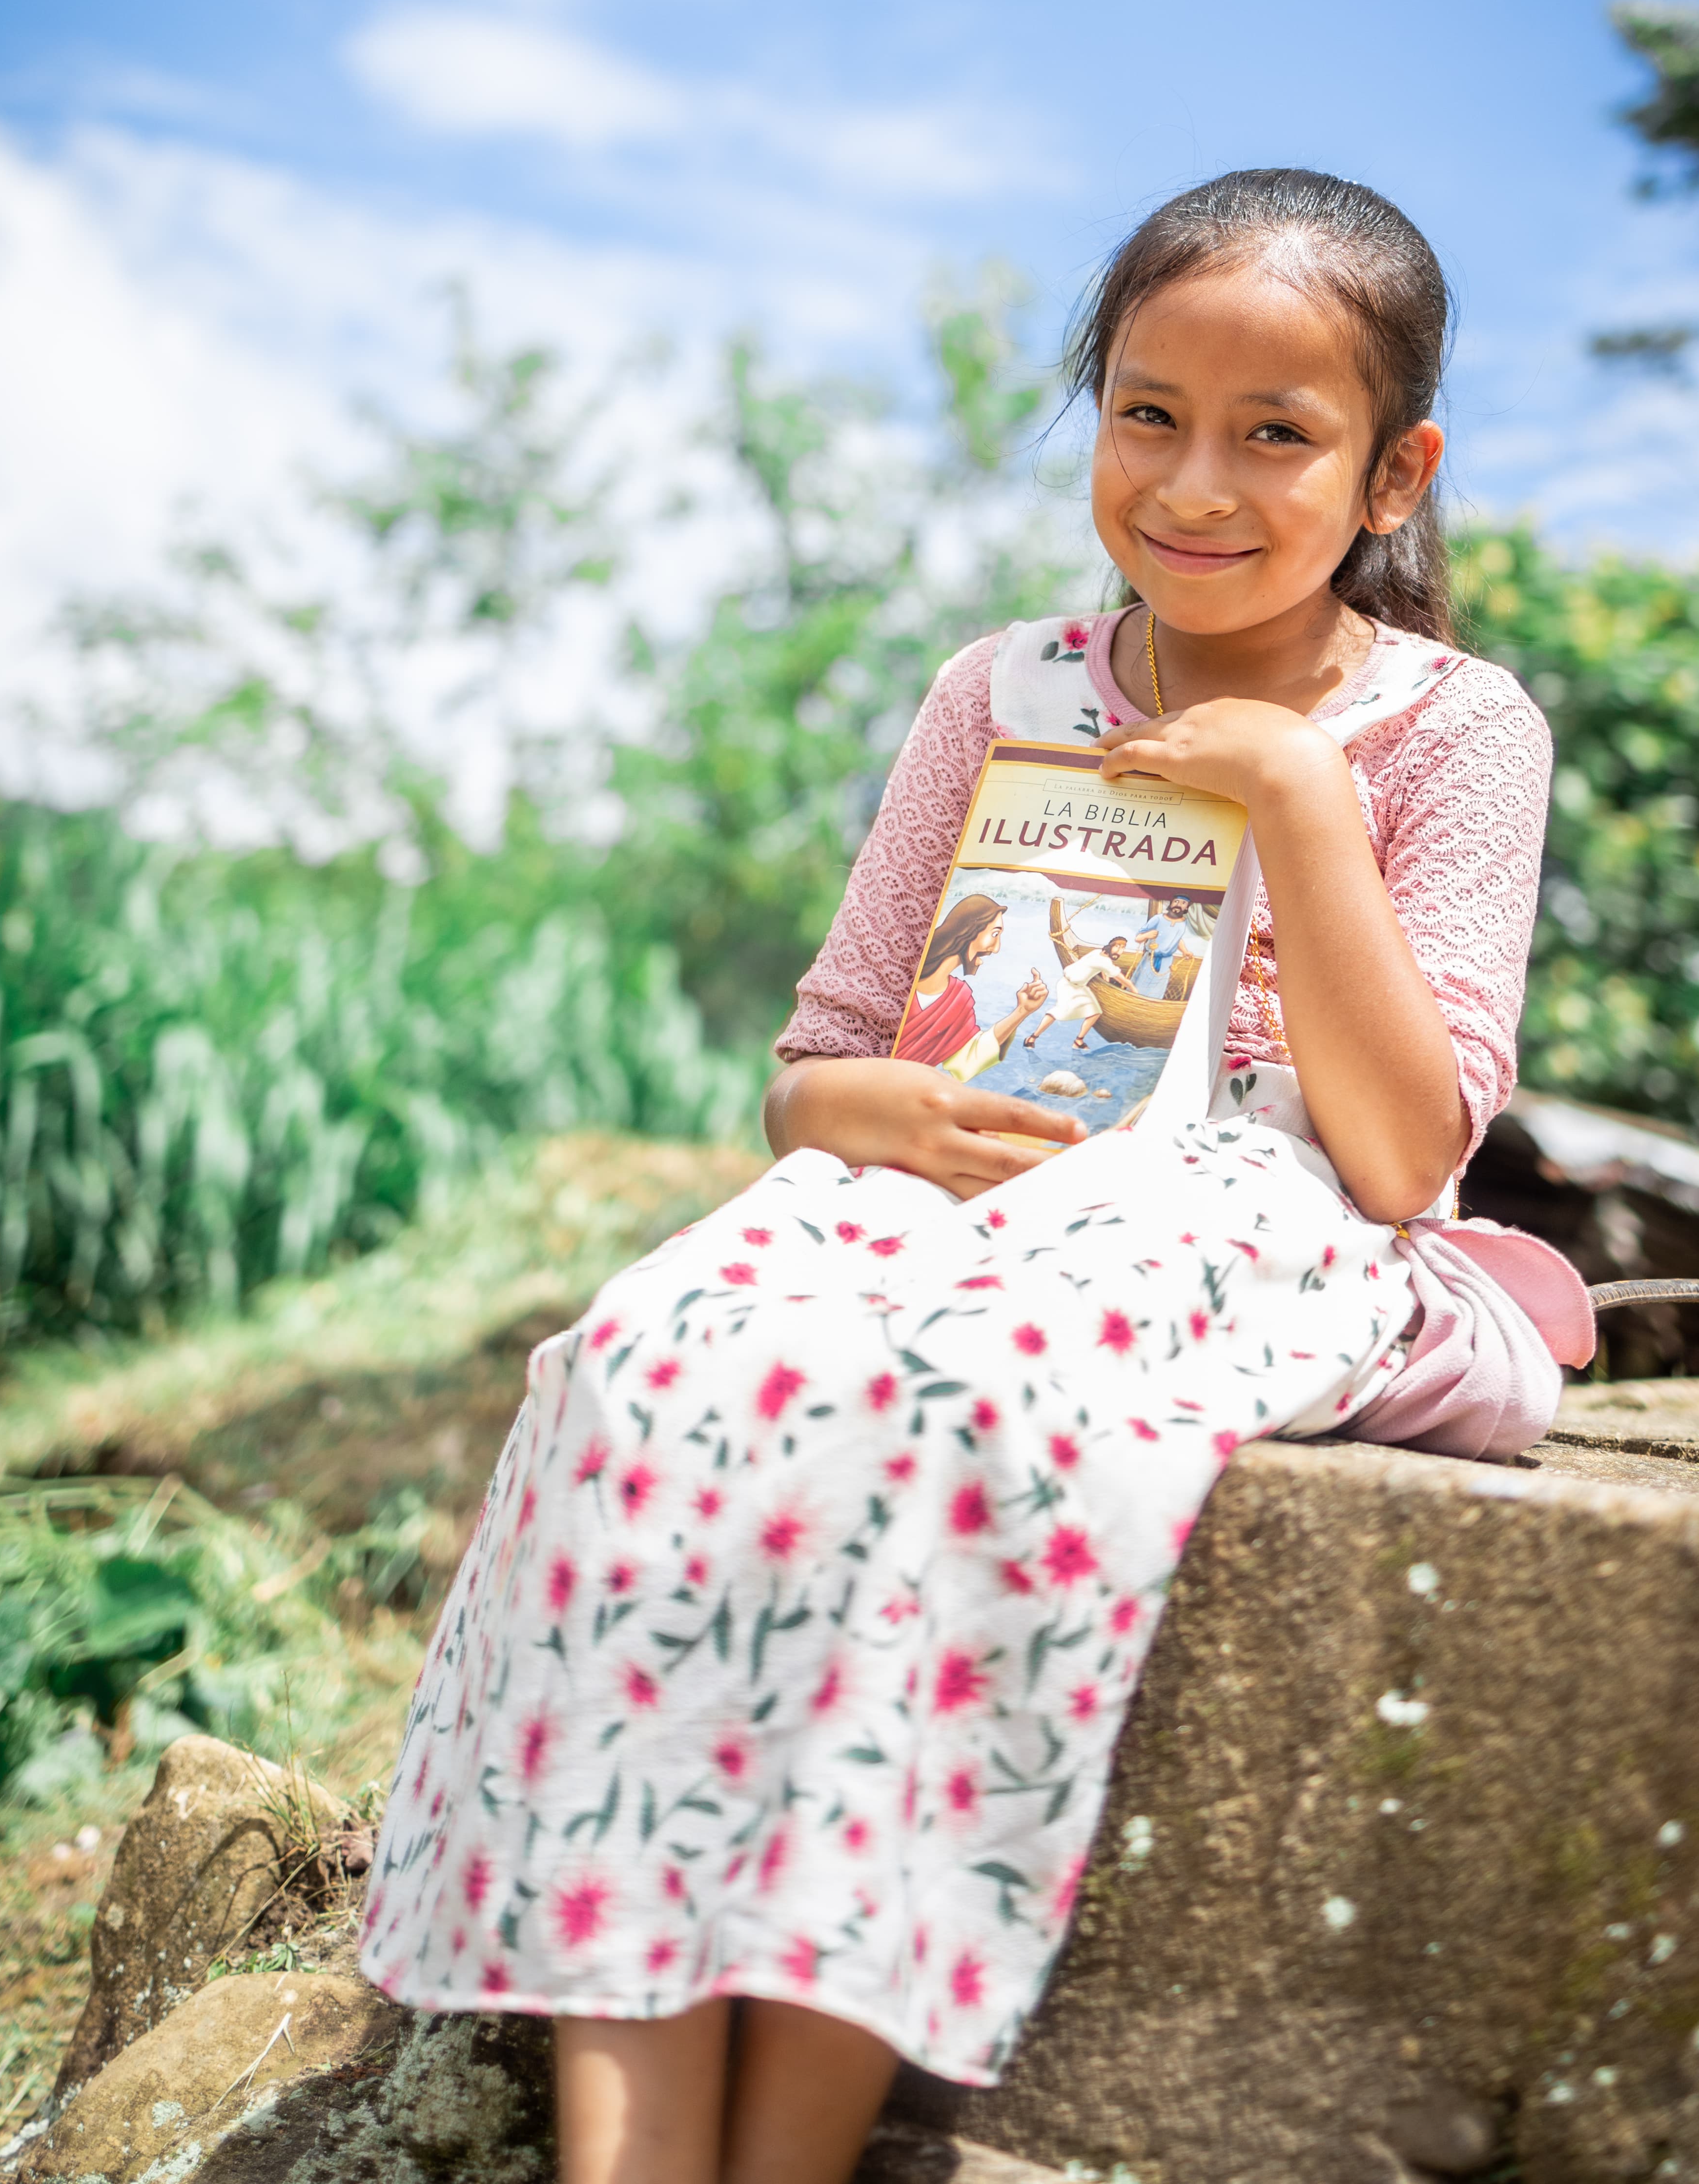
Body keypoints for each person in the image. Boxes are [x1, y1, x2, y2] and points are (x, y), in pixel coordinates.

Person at [359, 168, 1591, 2184]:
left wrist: (1290, 789)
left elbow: (1400, 1151)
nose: (1197, 482)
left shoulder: (1460, 732)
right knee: (650, 1366)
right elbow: (817, 1070)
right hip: (947, 1183)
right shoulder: (998, 692)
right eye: (1147, 414)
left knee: (951, 1419)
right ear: (1097, 410)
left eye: (1278, 433)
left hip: (1244, 1220)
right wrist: (874, 1119)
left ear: (1394, 474)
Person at [896, 895, 1048, 1079]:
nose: (996, 948)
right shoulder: (903, 969)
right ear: (967, 932)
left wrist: (1022, 1011)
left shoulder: (958, 998)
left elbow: (968, 1060)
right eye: (994, 934)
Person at [1020, 930, 1138, 1052]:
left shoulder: (1098, 953)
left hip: (1080, 987)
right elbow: (1122, 979)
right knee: (1058, 1012)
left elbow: (1102, 970)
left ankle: (1079, 1041)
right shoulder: (1105, 962)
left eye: (1123, 948)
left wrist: (1106, 982)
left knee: (1095, 1012)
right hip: (1068, 986)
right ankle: (1032, 1038)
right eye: (1118, 947)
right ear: (1111, 946)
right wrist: (1134, 991)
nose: (1120, 951)